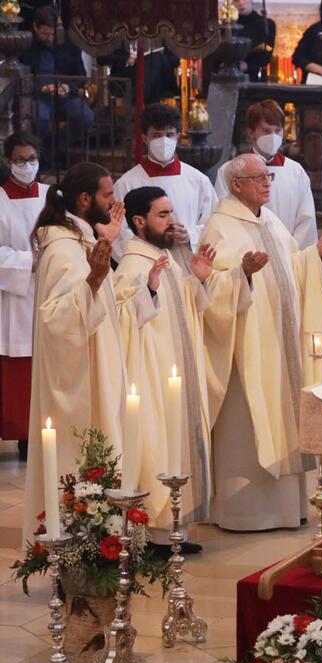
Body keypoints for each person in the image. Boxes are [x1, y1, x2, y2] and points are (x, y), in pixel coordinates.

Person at [199, 153, 322, 531]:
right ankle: (245, 514)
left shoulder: (270, 220)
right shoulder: (220, 227)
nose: (267, 183)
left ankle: (287, 509)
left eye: (269, 177)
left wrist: (317, 253)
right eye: (259, 177)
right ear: (236, 185)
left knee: (284, 418)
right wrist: (241, 275)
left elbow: (289, 269)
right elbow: (207, 289)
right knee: (248, 426)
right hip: (247, 351)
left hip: (282, 346)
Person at [23, 162, 126, 541]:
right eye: (107, 195)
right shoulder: (63, 249)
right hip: (80, 383)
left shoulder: (81, 239)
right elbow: (56, 319)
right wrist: (94, 280)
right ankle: (77, 549)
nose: (114, 202)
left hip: (98, 368)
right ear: (85, 199)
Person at [111, 187, 215, 545]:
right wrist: (149, 290)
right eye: (163, 214)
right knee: (157, 444)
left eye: (172, 212)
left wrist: (197, 280)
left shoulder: (164, 258)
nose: (172, 221)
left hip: (177, 371)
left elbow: (184, 310)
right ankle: (155, 534)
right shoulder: (132, 265)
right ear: (139, 221)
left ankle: (176, 529)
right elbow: (119, 319)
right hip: (151, 376)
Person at [114, 103, 218, 258]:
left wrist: (190, 235)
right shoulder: (126, 184)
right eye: (156, 136)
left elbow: (214, 223)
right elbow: (118, 231)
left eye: (169, 135)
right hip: (147, 263)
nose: (163, 141)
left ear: (178, 136)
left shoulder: (198, 180)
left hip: (189, 262)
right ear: (144, 138)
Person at [0, 133, 47, 462]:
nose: (27, 165)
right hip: (13, 299)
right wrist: (28, 260)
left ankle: (42, 435)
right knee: (18, 370)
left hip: (48, 292)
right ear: (8, 162)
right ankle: (21, 434)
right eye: (20, 160)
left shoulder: (52, 196)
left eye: (32, 159)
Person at [215, 100, 317, 249]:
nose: (273, 137)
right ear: (251, 132)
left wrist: (289, 252)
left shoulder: (296, 172)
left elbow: (306, 220)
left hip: (289, 254)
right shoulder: (230, 171)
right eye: (266, 131)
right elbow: (222, 218)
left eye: (277, 131)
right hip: (245, 254)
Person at [21, 6, 94, 152]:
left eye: (52, 34)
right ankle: (45, 157)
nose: (50, 38)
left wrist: (67, 86)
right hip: (39, 97)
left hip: (65, 96)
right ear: (35, 27)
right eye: (44, 34)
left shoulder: (68, 43)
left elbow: (81, 76)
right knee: (40, 119)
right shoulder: (27, 45)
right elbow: (21, 77)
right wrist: (42, 88)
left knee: (86, 118)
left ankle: (52, 148)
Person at [236, 0, 276, 82]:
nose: (241, 3)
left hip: (256, 77)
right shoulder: (231, 26)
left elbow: (267, 53)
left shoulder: (267, 24)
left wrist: (248, 66)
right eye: (236, 0)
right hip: (233, 76)